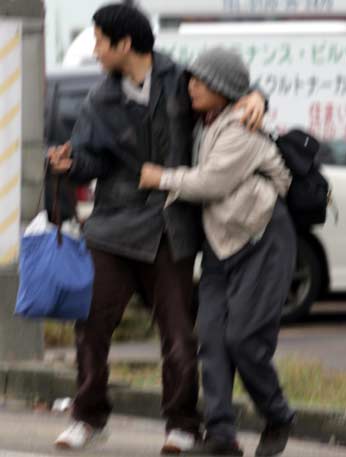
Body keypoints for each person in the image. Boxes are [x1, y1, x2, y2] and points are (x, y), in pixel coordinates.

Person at [48, 4, 266, 453]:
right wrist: (71, 164)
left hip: (172, 222)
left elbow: (232, 89)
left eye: (99, 40)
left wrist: (257, 96)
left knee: (179, 332)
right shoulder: (98, 99)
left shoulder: (182, 79)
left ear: (124, 44)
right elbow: (94, 160)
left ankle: (182, 424)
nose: (95, 49)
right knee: (91, 324)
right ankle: (88, 416)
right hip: (111, 223)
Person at [140, 47, 297, 457]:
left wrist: (160, 178)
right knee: (210, 339)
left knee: (243, 339)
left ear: (224, 89)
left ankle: (278, 414)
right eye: (190, 79)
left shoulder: (241, 126)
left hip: (261, 238)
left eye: (201, 82)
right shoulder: (202, 121)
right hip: (218, 244)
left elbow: (210, 182)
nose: (191, 87)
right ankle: (222, 436)